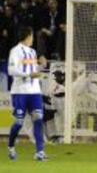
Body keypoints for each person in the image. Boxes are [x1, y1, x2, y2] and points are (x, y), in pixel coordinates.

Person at [7, 26, 48, 161]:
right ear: (28, 36)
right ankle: (11, 146)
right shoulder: (15, 51)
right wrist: (29, 75)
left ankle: (40, 152)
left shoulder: (32, 52)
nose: (33, 39)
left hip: (34, 92)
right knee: (19, 122)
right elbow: (11, 71)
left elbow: (34, 70)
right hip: (20, 92)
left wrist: (41, 66)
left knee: (38, 119)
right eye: (32, 36)